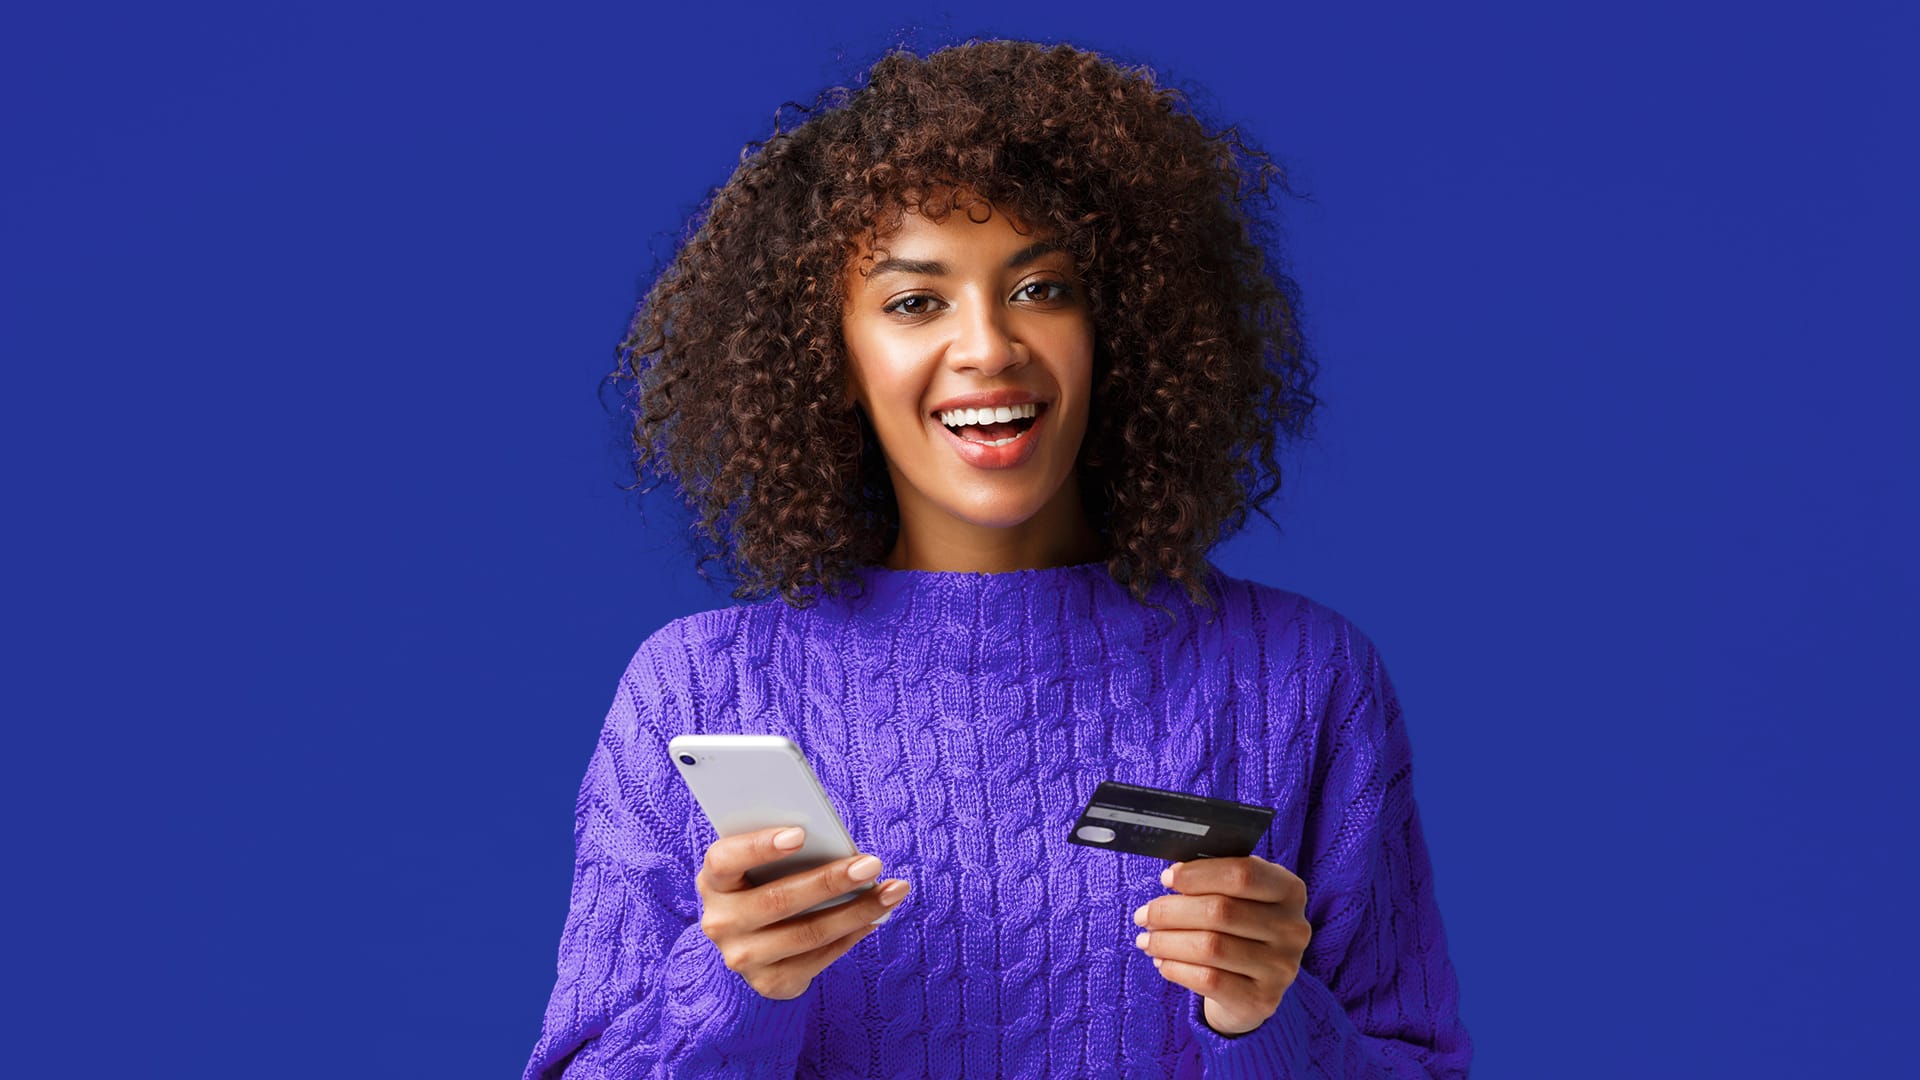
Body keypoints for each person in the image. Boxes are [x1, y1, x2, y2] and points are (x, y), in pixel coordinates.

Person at [524, 38, 1473, 1079]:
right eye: (914, 301)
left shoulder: (1301, 679)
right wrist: (730, 994)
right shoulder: (698, 692)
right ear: (829, 356)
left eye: (1042, 289)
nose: (987, 347)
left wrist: (1265, 1023)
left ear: (1123, 329)